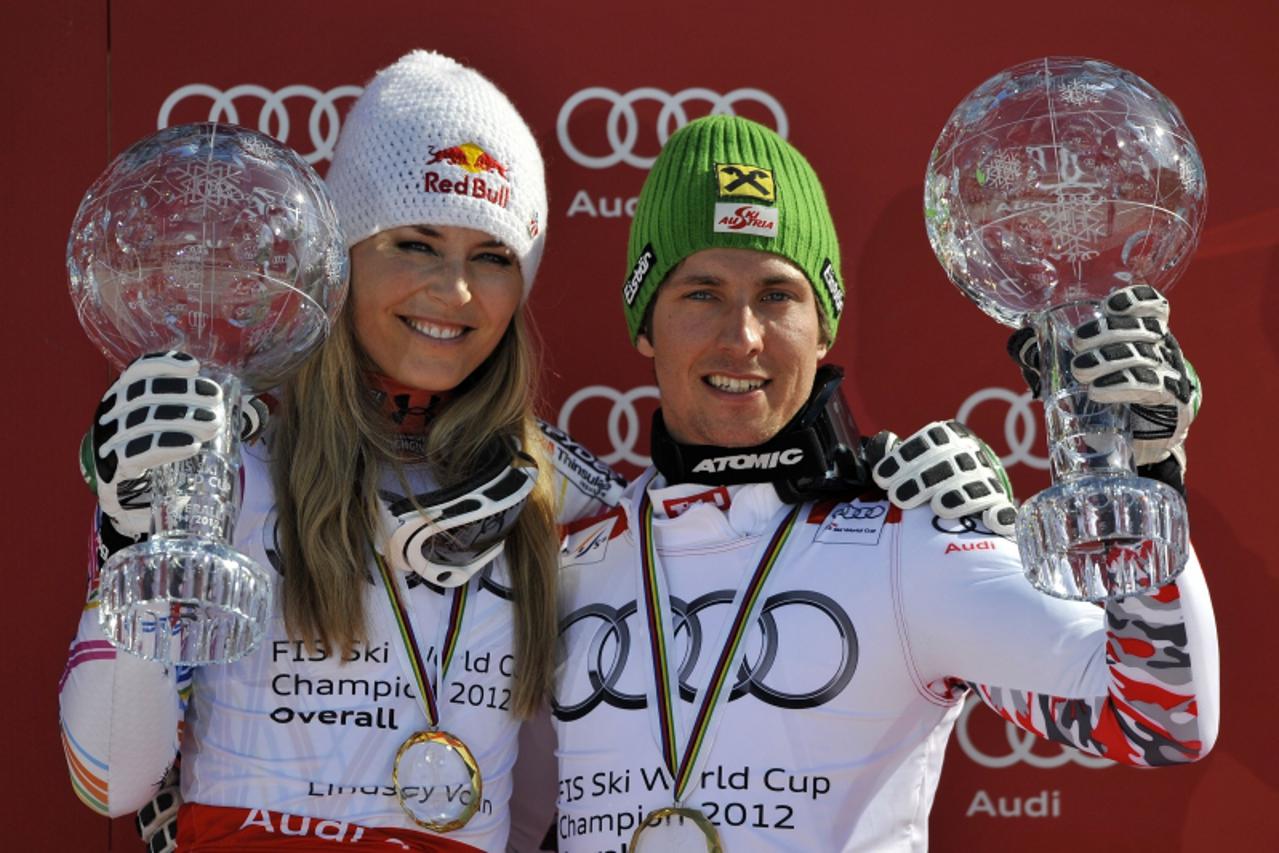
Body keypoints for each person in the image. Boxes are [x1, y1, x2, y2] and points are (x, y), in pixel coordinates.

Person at [551, 115, 1219, 852]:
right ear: (645, 322)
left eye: (777, 296)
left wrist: (1143, 477)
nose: (741, 336)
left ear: (822, 326)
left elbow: (1160, 717)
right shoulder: (565, 553)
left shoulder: (912, 534)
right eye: (701, 293)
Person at [59, 50, 623, 852]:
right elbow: (109, 774)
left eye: (492, 256)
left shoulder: (562, 496)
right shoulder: (222, 460)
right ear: (341, 255)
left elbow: (565, 807)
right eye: (415, 243)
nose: (454, 290)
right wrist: (132, 541)